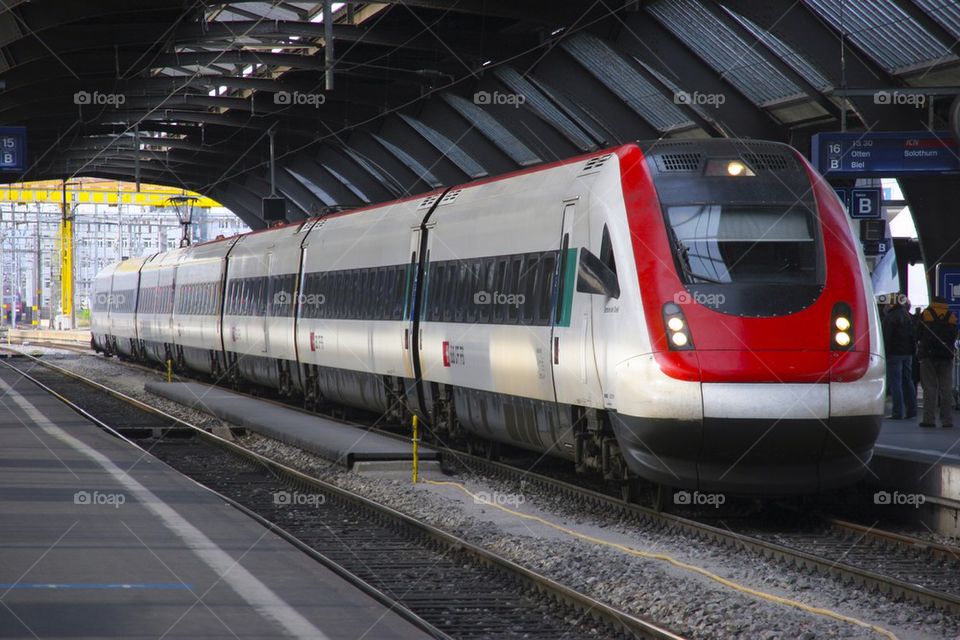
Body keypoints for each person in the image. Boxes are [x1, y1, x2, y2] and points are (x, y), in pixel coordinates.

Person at [917, 295, 958, 428]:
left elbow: (917, 334)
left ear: (932, 302)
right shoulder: (951, 316)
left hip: (928, 356)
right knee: (946, 388)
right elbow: (953, 336)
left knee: (930, 387)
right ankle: (947, 420)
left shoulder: (926, 314)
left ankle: (929, 419)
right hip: (946, 356)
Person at [882, 295, 917, 419]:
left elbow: (887, 338)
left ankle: (897, 412)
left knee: (895, 382)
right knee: (908, 381)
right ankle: (912, 410)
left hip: (894, 353)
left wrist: (885, 353)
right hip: (907, 353)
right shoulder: (908, 316)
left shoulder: (891, 317)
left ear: (891, 304)